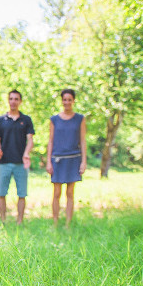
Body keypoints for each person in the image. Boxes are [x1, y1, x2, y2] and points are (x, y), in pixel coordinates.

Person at [0, 90, 35, 224]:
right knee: (2, 193)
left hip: (21, 163)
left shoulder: (26, 120)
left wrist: (26, 153)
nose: (13, 101)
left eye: (16, 99)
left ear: (20, 101)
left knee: (22, 194)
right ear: (8, 100)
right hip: (4, 163)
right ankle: (3, 220)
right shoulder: (1, 120)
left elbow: (30, 140)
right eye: (11, 98)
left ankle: (19, 221)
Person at [46, 88, 87, 227]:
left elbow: (82, 140)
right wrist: (48, 161)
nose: (67, 102)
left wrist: (83, 162)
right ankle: (55, 222)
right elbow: (50, 141)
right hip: (57, 159)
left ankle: (68, 224)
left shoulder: (80, 119)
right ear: (62, 101)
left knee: (70, 193)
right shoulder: (54, 120)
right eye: (65, 99)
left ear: (73, 101)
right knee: (56, 192)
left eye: (69, 99)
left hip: (73, 158)